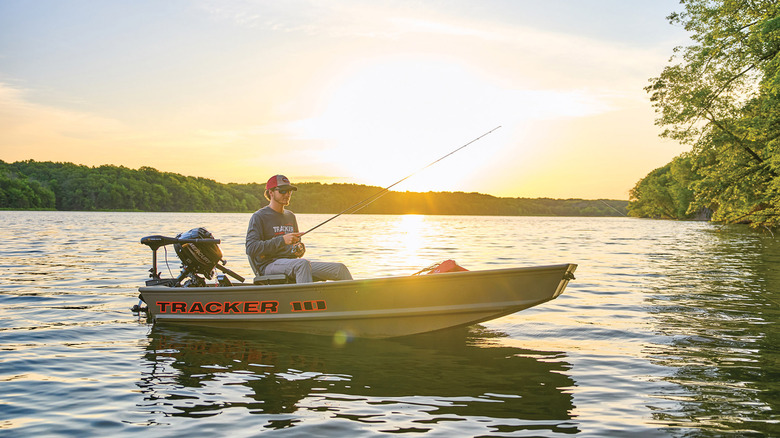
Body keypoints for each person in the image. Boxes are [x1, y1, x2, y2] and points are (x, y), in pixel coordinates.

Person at [246, 174, 353, 283]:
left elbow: (298, 248)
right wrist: (282, 240)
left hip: (292, 263)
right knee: (302, 264)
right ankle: (306, 299)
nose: (287, 194)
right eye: (283, 191)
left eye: (289, 191)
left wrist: (299, 249)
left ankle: (355, 299)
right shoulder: (259, 217)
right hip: (269, 265)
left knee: (340, 269)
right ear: (271, 192)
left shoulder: (290, 216)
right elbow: (251, 248)